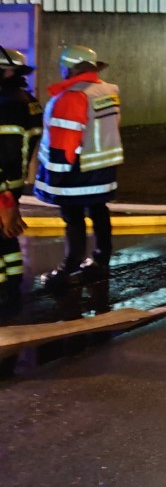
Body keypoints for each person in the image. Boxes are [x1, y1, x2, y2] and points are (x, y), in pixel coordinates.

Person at [32, 45, 122, 290]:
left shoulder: (71, 97)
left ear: (70, 67)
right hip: (102, 165)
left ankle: (69, 268)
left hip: (77, 171)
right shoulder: (107, 91)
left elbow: (64, 143)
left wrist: (56, 177)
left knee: (73, 217)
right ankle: (101, 260)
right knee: (98, 210)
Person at [1, 48, 41, 358]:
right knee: (7, 236)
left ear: (8, 72)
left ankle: (6, 296)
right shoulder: (29, 103)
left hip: (2, 185)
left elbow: (7, 152)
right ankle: (13, 289)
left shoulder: (6, 106)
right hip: (14, 185)